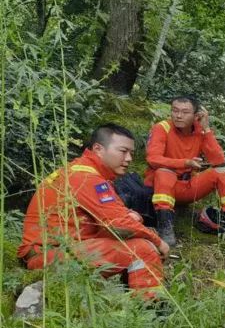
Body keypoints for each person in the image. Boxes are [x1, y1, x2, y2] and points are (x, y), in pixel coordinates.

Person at [18, 124, 168, 299]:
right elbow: (117, 224)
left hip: (56, 251)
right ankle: (151, 310)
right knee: (142, 248)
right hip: (48, 256)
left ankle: (135, 302)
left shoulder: (83, 171)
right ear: (98, 149)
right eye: (123, 151)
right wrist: (159, 242)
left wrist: (131, 218)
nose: (128, 159)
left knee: (135, 232)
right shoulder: (87, 177)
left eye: (131, 153)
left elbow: (115, 216)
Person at [145, 96, 225, 246]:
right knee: (164, 172)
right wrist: (185, 162)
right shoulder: (162, 128)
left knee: (224, 172)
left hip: (187, 186)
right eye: (175, 110)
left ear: (196, 115)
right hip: (162, 188)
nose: (178, 115)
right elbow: (153, 159)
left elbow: (218, 161)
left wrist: (206, 129)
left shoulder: (200, 131)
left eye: (185, 112)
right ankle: (165, 229)